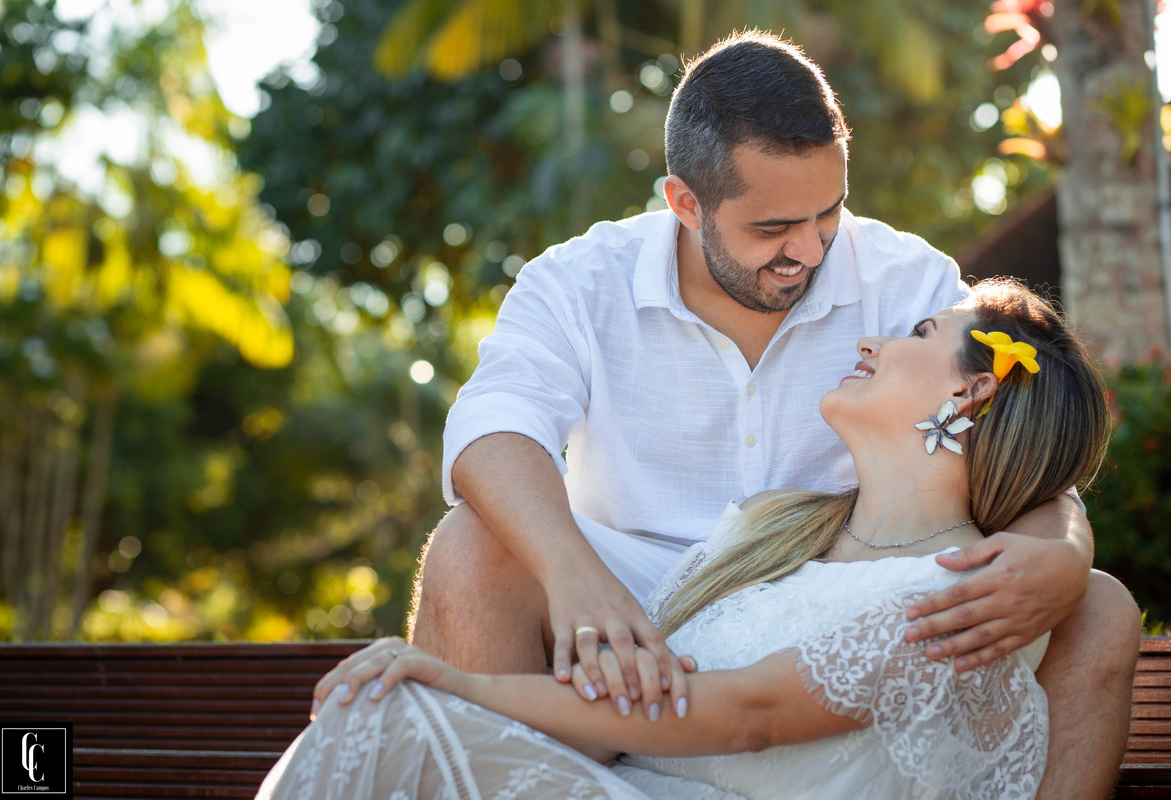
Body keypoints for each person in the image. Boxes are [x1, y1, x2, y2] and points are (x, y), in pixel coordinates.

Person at [394, 31, 1139, 798]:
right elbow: (493, 430)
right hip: (634, 587)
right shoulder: (581, 281)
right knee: (470, 549)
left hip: (831, 581)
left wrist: (1064, 550)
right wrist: (575, 577)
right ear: (685, 203)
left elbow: (1011, 421)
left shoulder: (908, 277)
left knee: (1099, 608)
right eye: (771, 230)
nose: (810, 251)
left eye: (828, 213)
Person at [258, 278, 1108, 799]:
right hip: (613, 783)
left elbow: (748, 717)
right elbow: (618, 716)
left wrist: (454, 688)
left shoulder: (962, 594)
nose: (874, 339)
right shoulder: (767, 533)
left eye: (919, 336)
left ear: (970, 397)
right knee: (378, 719)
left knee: (390, 721)